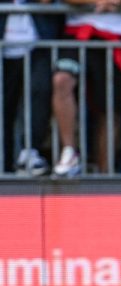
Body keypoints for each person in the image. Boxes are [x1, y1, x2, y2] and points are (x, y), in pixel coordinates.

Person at [51, 0, 121, 176]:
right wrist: (96, 1)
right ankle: (69, 153)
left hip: (119, 37)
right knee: (62, 80)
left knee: (109, 106)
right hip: (77, 35)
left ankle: (104, 172)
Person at [1, 0, 61, 176]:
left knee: (40, 91)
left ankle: (29, 152)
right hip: (5, 47)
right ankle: (4, 163)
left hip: (38, 44)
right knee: (5, 106)